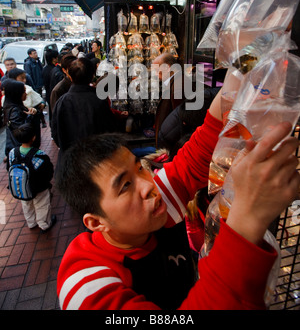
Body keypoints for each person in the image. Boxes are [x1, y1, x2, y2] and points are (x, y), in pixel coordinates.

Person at [56, 87, 300, 310]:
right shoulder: (86, 286)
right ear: (96, 223)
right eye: (125, 186)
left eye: (140, 168)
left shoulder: (147, 210)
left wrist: (237, 76)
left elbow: (197, 155)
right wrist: (247, 221)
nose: (148, 185)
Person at [51, 57, 118, 174]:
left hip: (70, 163)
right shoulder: (98, 100)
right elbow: (109, 131)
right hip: (95, 162)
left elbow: (56, 135)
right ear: (92, 75)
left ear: (70, 76)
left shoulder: (62, 102)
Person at [8, 123, 56, 232]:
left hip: (22, 187)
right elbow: (48, 172)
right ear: (33, 138)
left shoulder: (12, 153)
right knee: (42, 205)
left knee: (26, 204)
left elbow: (9, 168)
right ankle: (44, 224)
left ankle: (31, 222)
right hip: (39, 187)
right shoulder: (39, 155)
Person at [2, 79, 41, 169]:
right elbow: (22, 130)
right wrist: (30, 116)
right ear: (16, 94)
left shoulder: (14, 106)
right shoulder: (14, 110)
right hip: (21, 151)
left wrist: (34, 112)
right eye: (23, 91)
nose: (26, 93)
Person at [152, 53, 186, 146]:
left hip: (172, 145)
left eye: (156, 70)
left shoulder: (178, 85)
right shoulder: (175, 82)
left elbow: (180, 120)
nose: (155, 74)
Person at [42, 49, 59, 122]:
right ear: (54, 59)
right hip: (53, 94)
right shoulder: (54, 70)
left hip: (49, 93)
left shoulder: (45, 69)